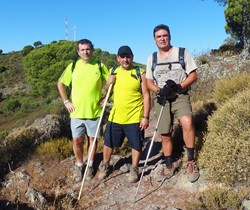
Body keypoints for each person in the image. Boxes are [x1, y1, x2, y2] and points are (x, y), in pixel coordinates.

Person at [146, 24, 200, 183]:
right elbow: (148, 81)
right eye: (158, 36)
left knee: (187, 122)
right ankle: (169, 164)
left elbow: (193, 75)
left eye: (165, 35)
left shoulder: (182, 53)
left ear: (169, 36)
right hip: (162, 99)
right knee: (165, 133)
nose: (162, 39)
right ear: (154, 39)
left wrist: (178, 86)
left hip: (179, 95)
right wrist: (158, 91)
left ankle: (190, 161)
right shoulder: (152, 58)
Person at [57, 39, 109, 183]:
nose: (85, 52)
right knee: (77, 140)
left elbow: (111, 81)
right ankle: (80, 165)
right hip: (77, 113)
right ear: (78, 52)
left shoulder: (99, 66)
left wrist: (106, 96)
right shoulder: (73, 66)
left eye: (88, 49)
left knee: (92, 140)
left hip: (94, 111)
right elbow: (60, 83)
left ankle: (90, 166)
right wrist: (66, 101)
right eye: (82, 50)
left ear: (92, 50)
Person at [98, 45, 150, 183]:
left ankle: (134, 169)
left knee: (136, 145)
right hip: (116, 116)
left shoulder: (140, 72)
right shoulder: (113, 71)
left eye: (128, 57)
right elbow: (106, 90)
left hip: (134, 116)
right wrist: (108, 82)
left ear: (132, 57)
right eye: (122, 57)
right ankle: (105, 165)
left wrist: (145, 116)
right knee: (108, 143)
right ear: (118, 58)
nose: (125, 59)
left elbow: (146, 95)